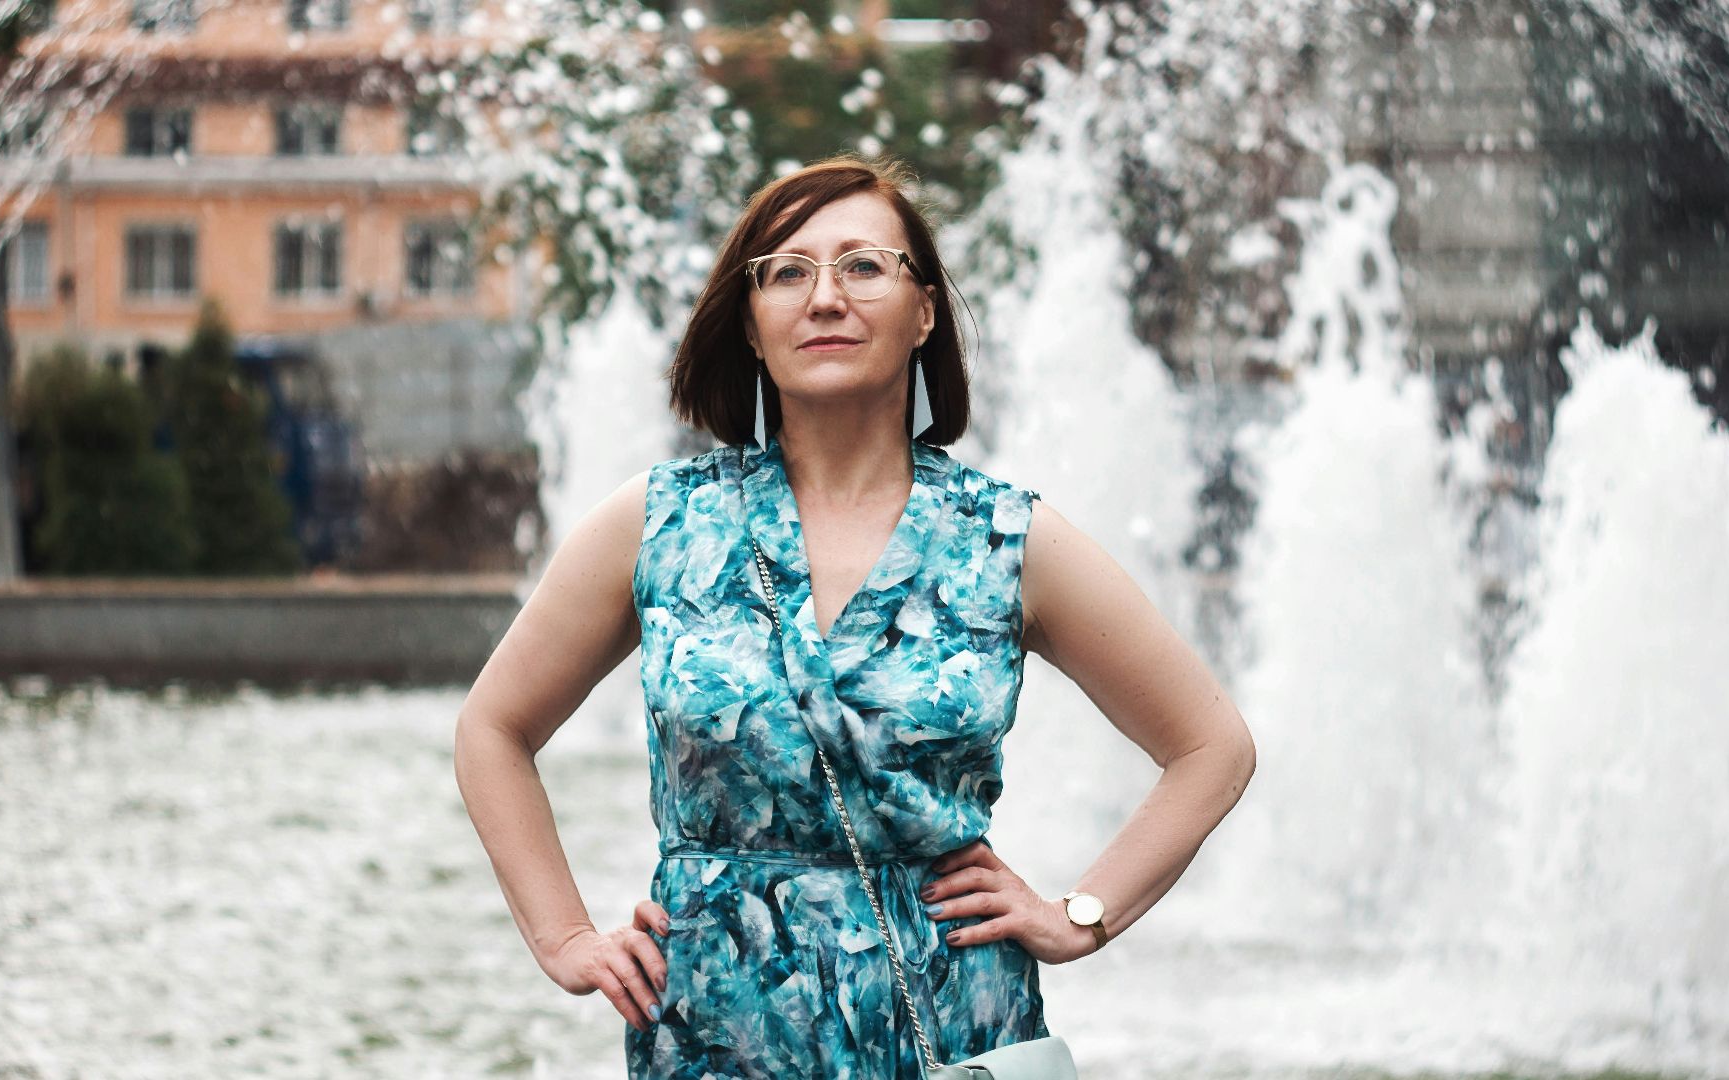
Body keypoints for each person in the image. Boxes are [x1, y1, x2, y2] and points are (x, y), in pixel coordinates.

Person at [454, 155, 1256, 1077]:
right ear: (750, 326)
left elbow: (1211, 746)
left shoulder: (1005, 538)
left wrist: (1081, 913)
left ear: (924, 312)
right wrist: (562, 936)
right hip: (720, 1028)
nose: (824, 297)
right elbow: (493, 727)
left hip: (951, 1023)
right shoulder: (661, 522)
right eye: (787, 272)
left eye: (864, 265)